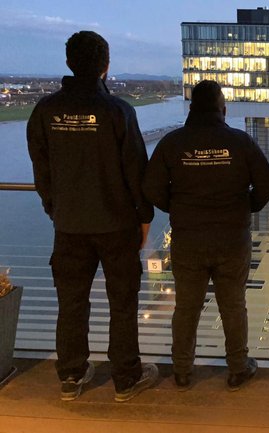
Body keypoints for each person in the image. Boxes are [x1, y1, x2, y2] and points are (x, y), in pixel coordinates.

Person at [27, 31, 158, 402]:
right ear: (106, 66)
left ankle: (71, 374)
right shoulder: (118, 111)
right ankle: (126, 377)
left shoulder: (45, 111)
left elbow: (41, 171)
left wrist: (56, 209)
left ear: (69, 62)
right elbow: (136, 171)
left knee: (71, 303)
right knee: (123, 303)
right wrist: (144, 217)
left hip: (69, 226)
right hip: (117, 225)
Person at [142, 80, 269, 392]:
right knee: (233, 306)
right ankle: (238, 368)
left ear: (191, 109)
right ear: (223, 110)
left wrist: (177, 206)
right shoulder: (240, 142)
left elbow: (150, 187)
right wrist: (246, 206)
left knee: (186, 307)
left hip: (189, 239)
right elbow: (267, 184)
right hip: (232, 238)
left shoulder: (173, 143)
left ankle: (182, 370)